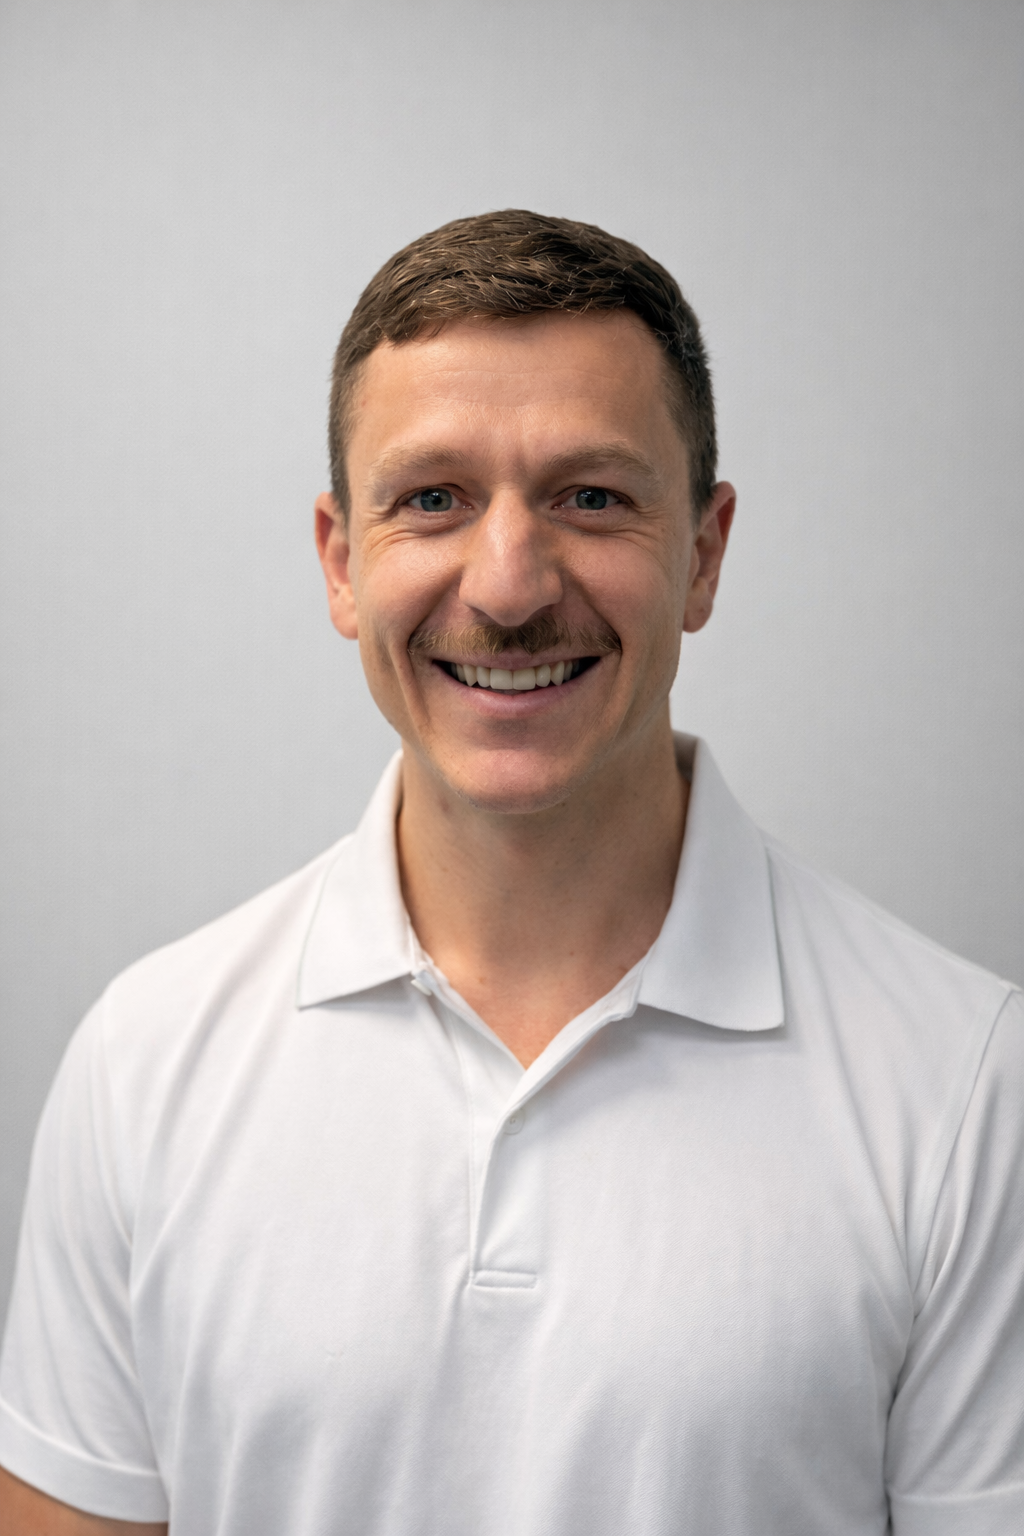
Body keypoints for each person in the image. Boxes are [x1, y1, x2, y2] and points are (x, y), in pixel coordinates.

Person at [0, 210, 1021, 1536]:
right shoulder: (145, 1063)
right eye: (432, 500)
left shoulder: (965, 1087)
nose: (510, 582)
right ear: (341, 562)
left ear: (705, 553)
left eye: (591, 497)